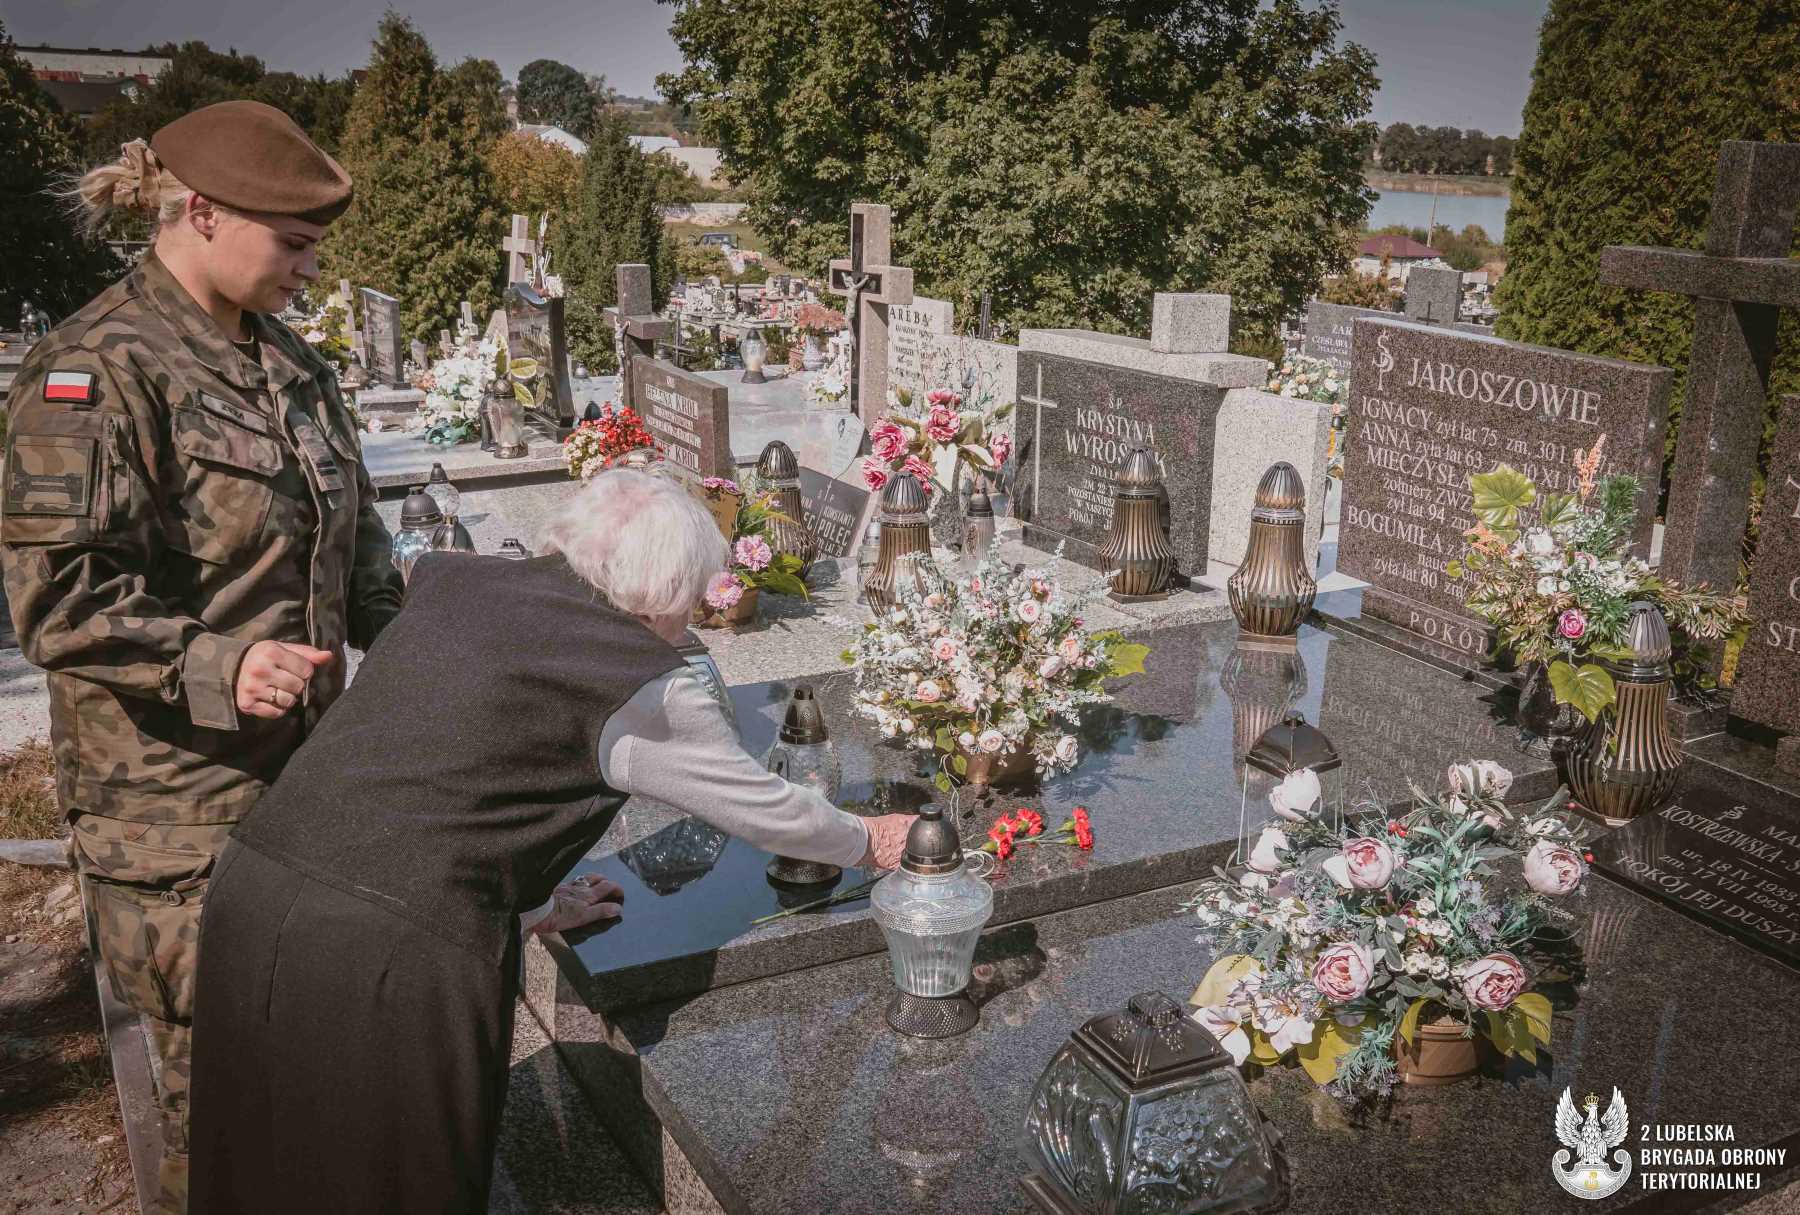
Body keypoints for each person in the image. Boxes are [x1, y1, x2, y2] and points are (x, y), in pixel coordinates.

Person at [187, 469, 915, 1214]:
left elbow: (450, 777)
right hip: (388, 959)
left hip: (256, 887)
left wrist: (532, 902)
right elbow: (763, 808)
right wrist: (872, 838)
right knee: (391, 1182)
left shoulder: (459, 584)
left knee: (254, 1170)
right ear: (669, 591)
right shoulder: (634, 675)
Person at [0, 101, 403, 1213]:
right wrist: (220, 664)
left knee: (308, 1076)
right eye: (296, 244)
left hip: (305, 785)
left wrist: (419, 634)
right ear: (205, 212)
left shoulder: (289, 362)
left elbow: (356, 530)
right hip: (177, 814)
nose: (311, 269)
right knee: (220, 1112)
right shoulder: (94, 370)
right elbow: (57, 596)